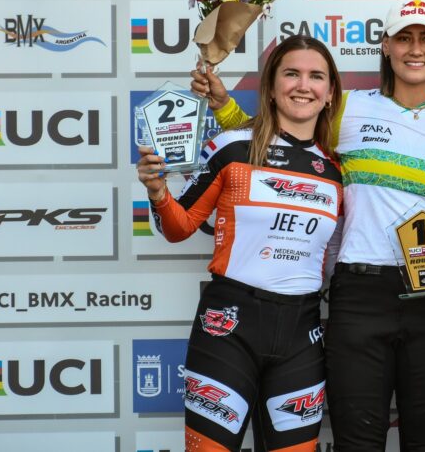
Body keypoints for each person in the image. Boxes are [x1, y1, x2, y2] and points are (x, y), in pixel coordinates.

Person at [193, 0, 425, 451]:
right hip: (358, 296)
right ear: (385, 45)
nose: (415, 49)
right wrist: (223, 108)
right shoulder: (348, 107)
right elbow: (276, 144)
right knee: (356, 444)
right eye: (404, 38)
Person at [137, 34, 344, 452]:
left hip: (301, 334)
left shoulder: (336, 171)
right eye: (291, 74)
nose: (303, 85)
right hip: (228, 326)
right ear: (271, 86)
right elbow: (180, 227)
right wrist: (158, 193)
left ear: (329, 95)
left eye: (316, 77)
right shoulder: (231, 147)